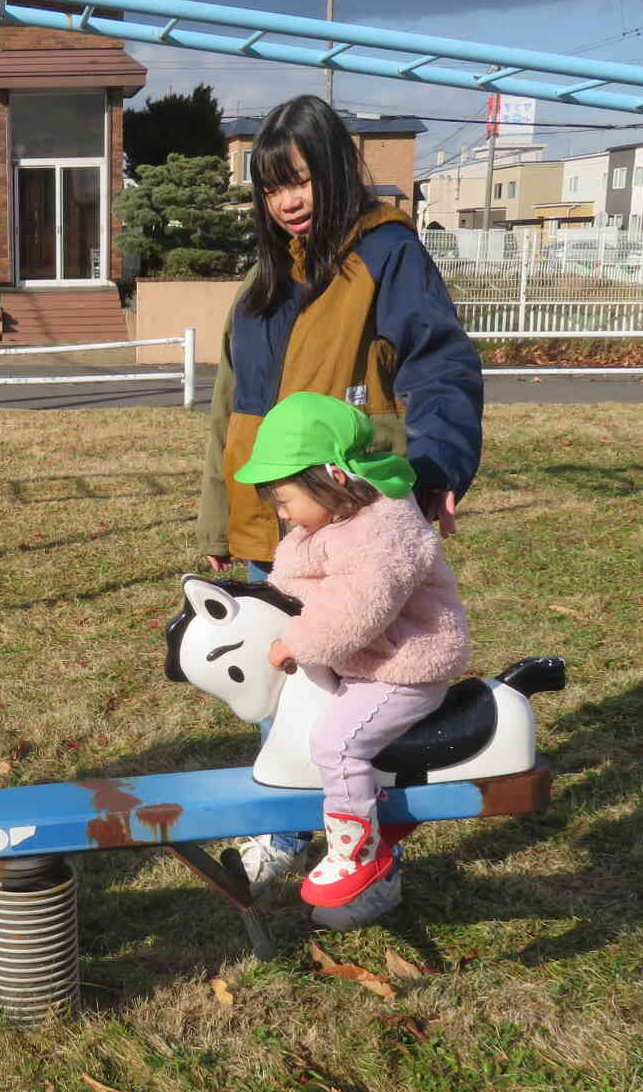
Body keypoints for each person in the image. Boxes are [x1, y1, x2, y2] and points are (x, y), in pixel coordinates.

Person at [196, 94, 483, 888]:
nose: (286, 202)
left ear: (334, 171)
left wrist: (439, 466)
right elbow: (230, 411)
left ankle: (356, 833)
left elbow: (441, 367)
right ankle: (293, 823)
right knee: (283, 683)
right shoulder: (261, 284)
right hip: (274, 524)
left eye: (300, 180)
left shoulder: (385, 257)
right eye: (269, 186)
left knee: (356, 679)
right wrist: (221, 515)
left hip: (350, 519)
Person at [234, 392, 472, 928]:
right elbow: (290, 580)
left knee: (336, 743)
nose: (280, 511)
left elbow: (355, 612)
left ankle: (356, 851)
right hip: (365, 665)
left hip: (402, 669)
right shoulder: (324, 526)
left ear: (332, 479)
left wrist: (296, 643)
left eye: (284, 498)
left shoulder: (385, 530)